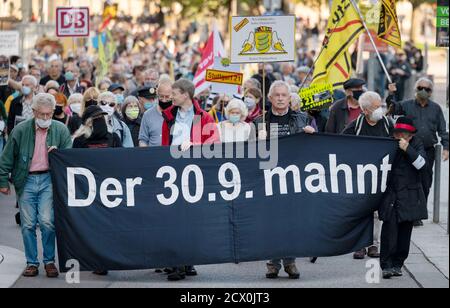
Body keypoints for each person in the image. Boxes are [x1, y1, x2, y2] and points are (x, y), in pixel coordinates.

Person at [0, 93, 72, 278]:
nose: (46, 118)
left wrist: (59, 154)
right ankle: (32, 262)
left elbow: (71, 157)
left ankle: (49, 261)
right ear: (34, 112)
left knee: (48, 222)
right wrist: (2, 182)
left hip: (49, 178)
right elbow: (6, 158)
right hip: (26, 180)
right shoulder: (21, 130)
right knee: (28, 224)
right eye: (42, 114)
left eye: (49, 114)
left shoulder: (61, 130)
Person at [254, 81, 316, 280]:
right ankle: (272, 263)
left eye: (284, 95)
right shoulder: (259, 122)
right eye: (277, 95)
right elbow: (246, 153)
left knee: (291, 221)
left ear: (290, 98)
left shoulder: (303, 119)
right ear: (270, 98)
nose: (280, 98)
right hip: (268, 178)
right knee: (272, 221)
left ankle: (290, 262)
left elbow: (315, 149)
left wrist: (312, 136)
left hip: (292, 178)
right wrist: (257, 140)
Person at [161, 79, 218, 281]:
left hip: (195, 172)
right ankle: (177, 263)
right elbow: (163, 145)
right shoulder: (168, 117)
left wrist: (195, 144)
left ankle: (188, 260)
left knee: (191, 219)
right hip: (172, 173)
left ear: (185, 94)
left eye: (174, 93)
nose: (171, 96)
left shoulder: (203, 117)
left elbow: (214, 144)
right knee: (174, 219)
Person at [387, 78, 449, 226]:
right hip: (407, 149)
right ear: (415, 89)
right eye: (420, 87)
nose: (423, 91)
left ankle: (419, 213)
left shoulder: (436, 108)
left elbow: (442, 129)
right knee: (409, 181)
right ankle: (408, 211)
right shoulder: (406, 105)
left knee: (425, 182)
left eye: (427, 89)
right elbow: (392, 108)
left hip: (427, 150)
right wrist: (391, 94)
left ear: (431, 92)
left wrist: (446, 147)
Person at [343, 91, 394, 260]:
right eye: (376, 107)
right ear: (365, 110)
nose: (380, 109)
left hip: (382, 175)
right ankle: (360, 246)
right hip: (361, 175)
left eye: (380, 105)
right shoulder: (355, 125)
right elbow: (341, 144)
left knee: (377, 213)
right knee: (361, 210)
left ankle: (373, 244)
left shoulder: (387, 123)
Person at [379, 117, 428, 279]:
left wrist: (408, 149)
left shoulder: (417, 144)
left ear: (410, 135)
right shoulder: (388, 143)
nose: (400, 136)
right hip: (391, 194)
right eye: (398, 133)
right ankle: (386, 265)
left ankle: (398, 264)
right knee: (389, 231)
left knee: (404, 234)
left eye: (404, 134)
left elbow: (422, 165)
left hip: (410, 195)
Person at [139, 79, 173, 147]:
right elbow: (143, 140)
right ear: (157, 94)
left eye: (167, 97)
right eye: (161, 96)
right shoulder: (147, 115)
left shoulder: (179, 113)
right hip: (153, 155)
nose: (164, 100)